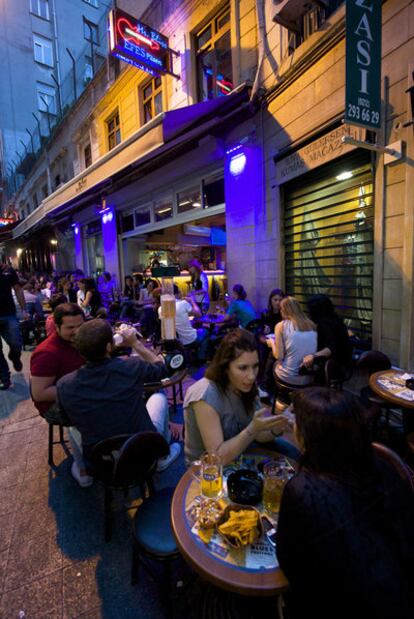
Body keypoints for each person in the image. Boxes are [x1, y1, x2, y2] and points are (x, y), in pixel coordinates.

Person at [276, 387, 414, 619]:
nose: (293, 426)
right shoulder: (384, 468)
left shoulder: (303, 489)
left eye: (297, 422)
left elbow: (290, 561)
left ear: (310, 436)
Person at [56, 320, 181, 487]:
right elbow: (162, 369)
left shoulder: (64, 384)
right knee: (159, 398)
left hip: (101, 457)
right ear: (109, 347)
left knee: (73, 430)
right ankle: (161, 459)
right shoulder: (131, 366)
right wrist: (135, 343)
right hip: (142, 446)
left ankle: (85, 472)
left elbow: (67, 421)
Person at [184, 329, 295, 466]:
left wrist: (278, 425)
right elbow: (217, 459)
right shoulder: (205, 395)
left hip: (240, 452)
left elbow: (259, 436)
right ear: (225, 367)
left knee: (294, 457)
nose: (252, 376)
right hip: (205, 470)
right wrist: (252, 429)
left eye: (255, 366)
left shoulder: (246, 387)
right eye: (243, 368)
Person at [30, 303, 85, 417]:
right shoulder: (46, 353)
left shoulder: (76, 340)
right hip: (54, 406)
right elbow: (40, 394)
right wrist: (83, 389)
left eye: (80, 326)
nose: (77, 331)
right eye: (70, 327)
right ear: (56, 327)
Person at [267, 296, 317, 386]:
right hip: (309, 378)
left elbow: (279, 356)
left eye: (281, 309)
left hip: (289, 377)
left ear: (284, 310)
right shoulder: (312, 325)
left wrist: (272, 343)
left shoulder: (281, 326)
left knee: (275, 361)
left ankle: (267, 390)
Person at [302, 294, 353, 381]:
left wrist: (312, 356)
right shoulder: (335, 319)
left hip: (333, 366)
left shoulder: (324, 323)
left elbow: (330, 349)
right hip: (344, 362)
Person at [158, 285, 210, 363]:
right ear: (175, 294)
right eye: (179, 292)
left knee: (196, 328)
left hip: (174, 342)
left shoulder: (161, 308)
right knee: (205, 331)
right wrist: (192, 301)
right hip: (189, 341)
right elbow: (199, 314)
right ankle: (201, 359)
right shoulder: (183, 303)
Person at [0, 262, 28, 390]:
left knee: (16, 343)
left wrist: (23, 309)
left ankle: (15, 356)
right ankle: (4, 378)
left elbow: (17, 289)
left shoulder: (8, 270)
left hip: (8, 313)